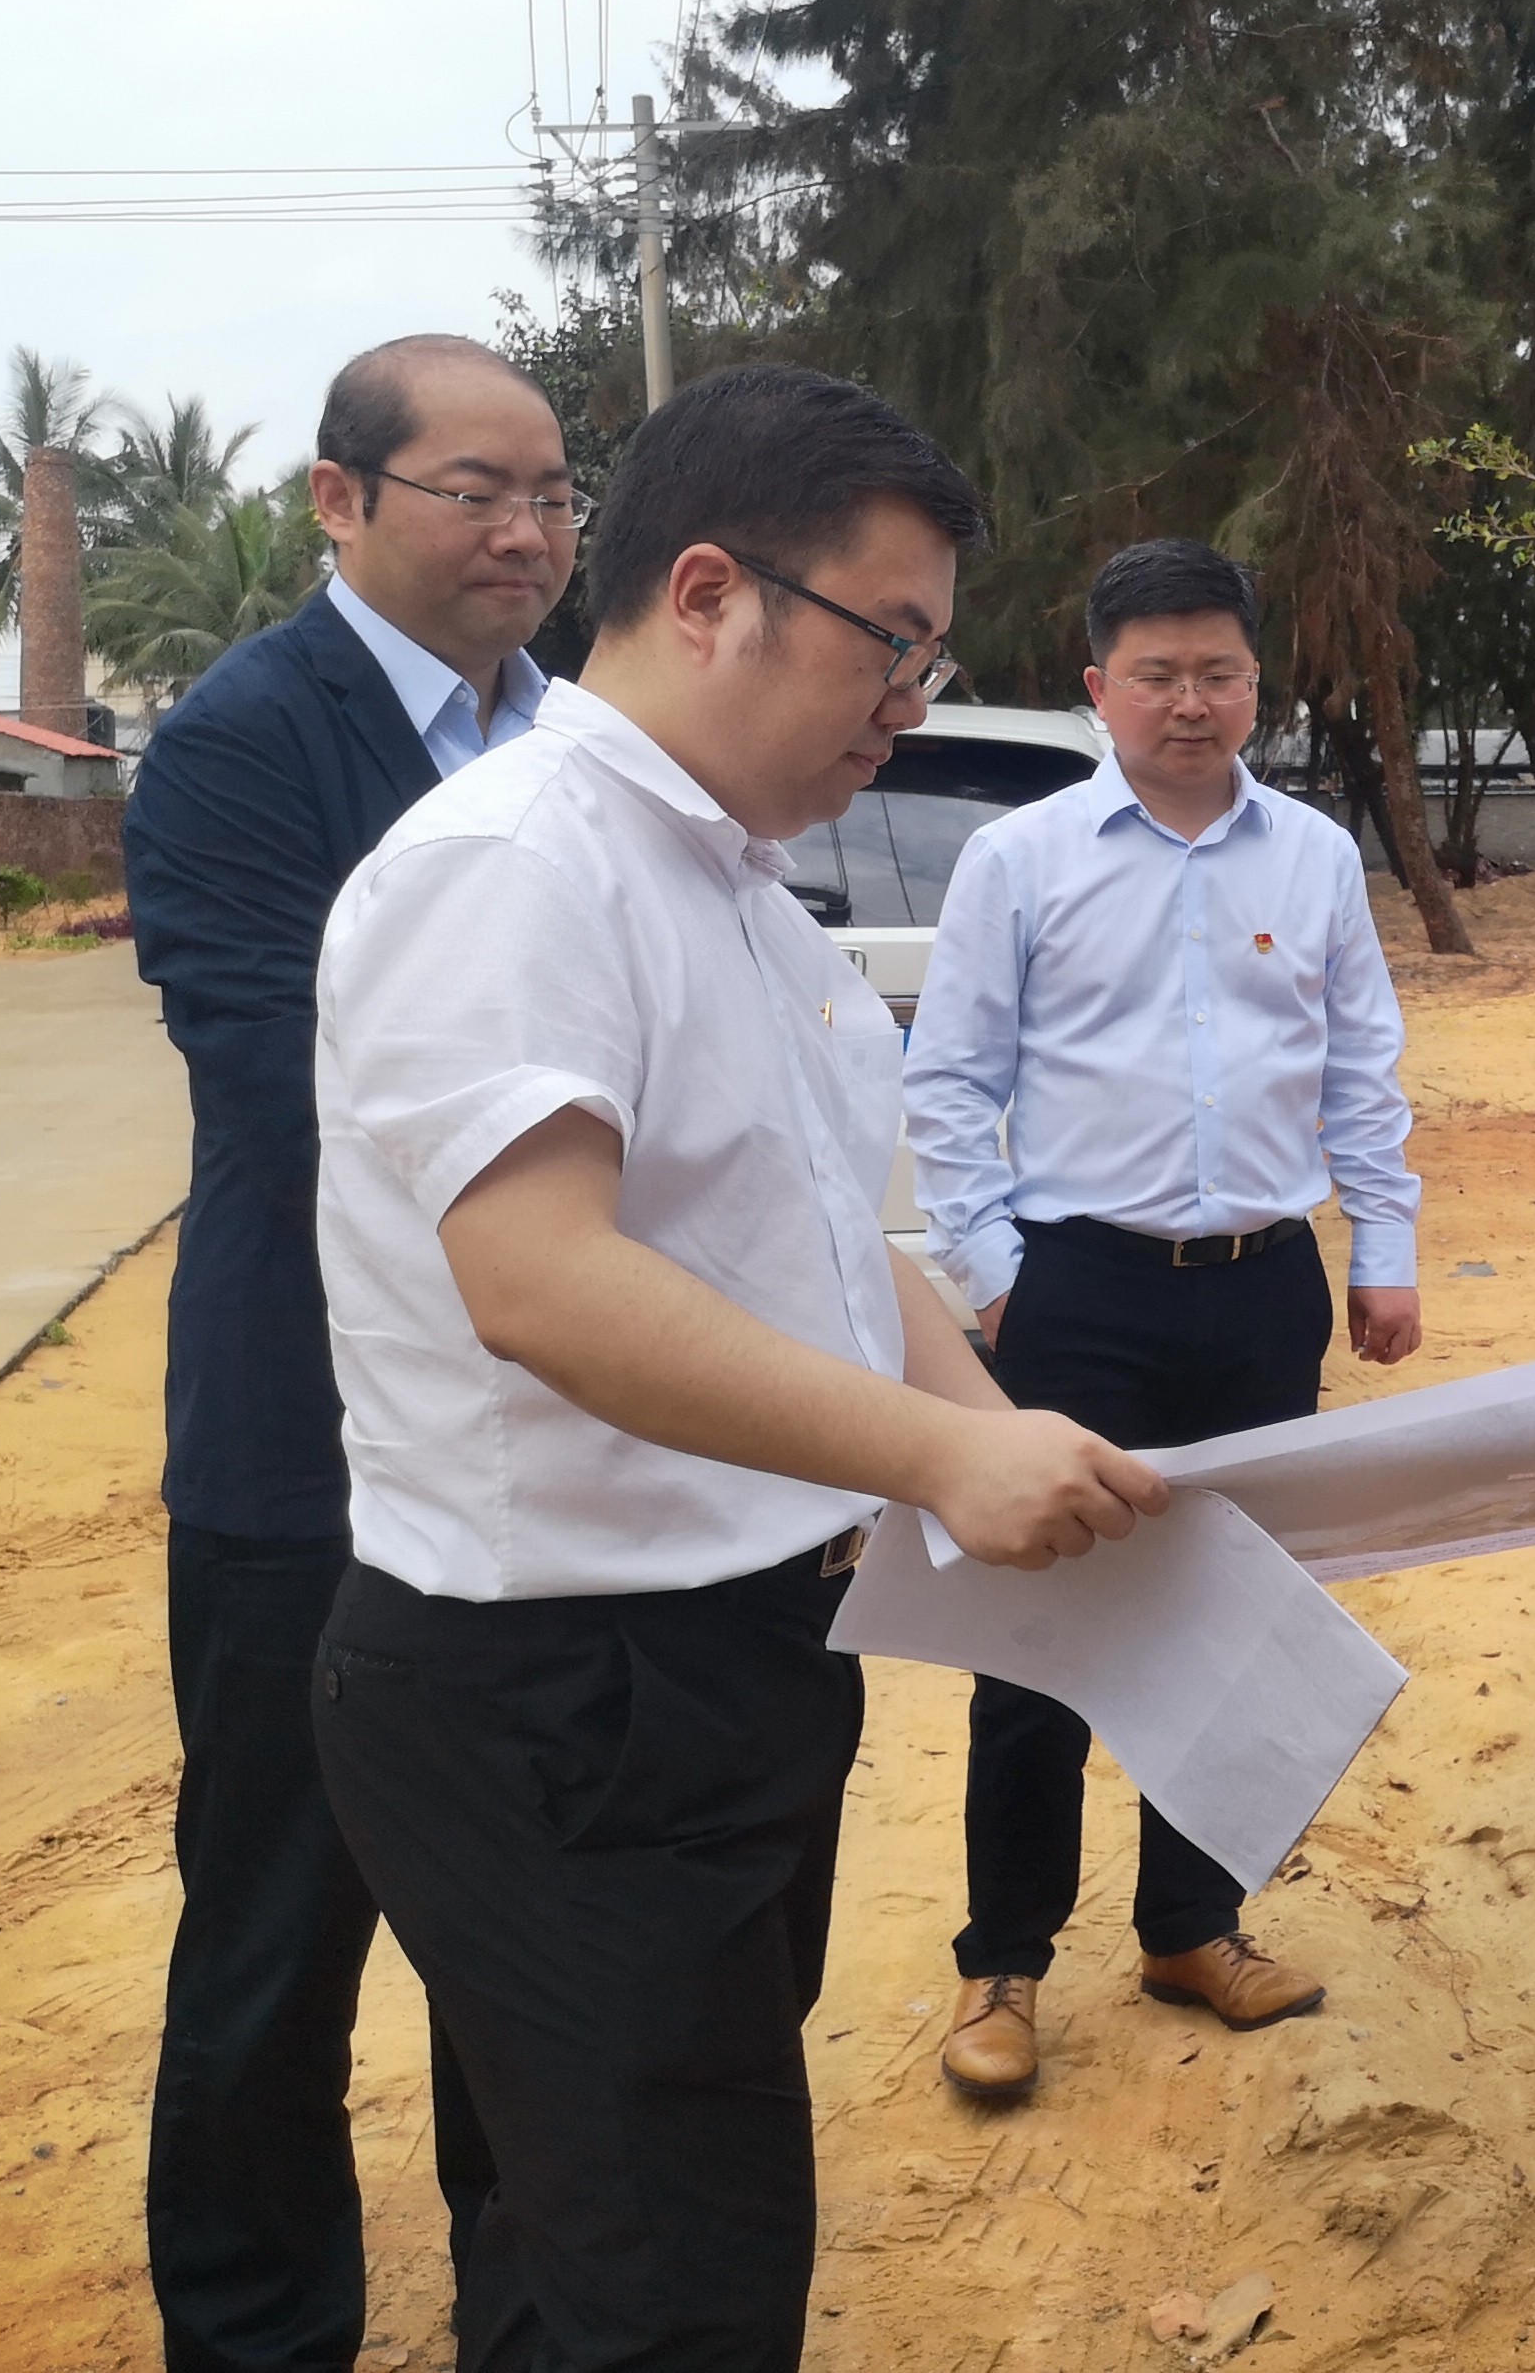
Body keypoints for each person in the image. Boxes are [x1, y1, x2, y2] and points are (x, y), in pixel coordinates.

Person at [306, 365, 1166, 2372]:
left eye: (931, 659)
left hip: (719, 1661)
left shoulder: (735, 889)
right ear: (708, 595)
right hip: (558, 1692)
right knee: (674, 2281)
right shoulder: (516, 863)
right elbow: (542, 1282)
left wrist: (995, 1429)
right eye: (891, 644)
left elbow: (826, 1246)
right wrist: (934, 1464)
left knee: (589, 2229)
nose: (909, 705)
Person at [123, 332, 572, 2373]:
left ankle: (532, 2315)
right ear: (340, 499)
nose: (527, 531)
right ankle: (254, 2331)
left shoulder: (575, 737)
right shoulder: (241, 739)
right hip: (304, 1453)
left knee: (528, 1933)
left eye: (552, 494)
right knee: (276, 1937)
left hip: (548, 1442)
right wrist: (584, 1172)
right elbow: (294, 1081)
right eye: (477, 489)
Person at [903, 536, 1422, 2097]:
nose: (1190, 703)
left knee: (1234, 1619)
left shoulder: (1312, 858)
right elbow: (950, 1081)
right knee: (1041, 1633)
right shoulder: (1023, 859)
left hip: (1263, 1290)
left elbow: (1360, 1064)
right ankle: (1003, 1963)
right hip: (1078, 1293)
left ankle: (1193, 1927)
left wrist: (1384, 1246)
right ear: (1099, 687)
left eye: (1218, 674)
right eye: (1157, 675)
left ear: (1258, 685)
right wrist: (995, 1273)